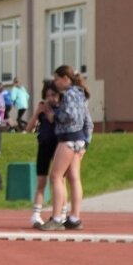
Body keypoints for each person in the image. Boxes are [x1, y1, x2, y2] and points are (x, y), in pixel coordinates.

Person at [40, 65, 92, 231]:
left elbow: (69, 116)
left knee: (55, 177)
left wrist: (52, 116)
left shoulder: (68, 94)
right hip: (79, 139)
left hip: (67, 139)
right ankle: (74, 218)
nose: (55, 83)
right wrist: (86, 142)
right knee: (74, 178)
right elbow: (87, 120)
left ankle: (56, 218)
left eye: (56, 79)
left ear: (65, 79)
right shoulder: (80, 94)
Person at [25, 81, 59, 227]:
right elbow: (28, 128)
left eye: (53, 95)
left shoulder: (62, 109)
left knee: (58, 181)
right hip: (44, 145)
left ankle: (61, 213)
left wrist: (52, 116)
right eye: (48, 95)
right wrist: (38, 112)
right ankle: (36, 214)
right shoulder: (42, 108)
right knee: (41, 181)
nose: (50, 98)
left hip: (59, 146)